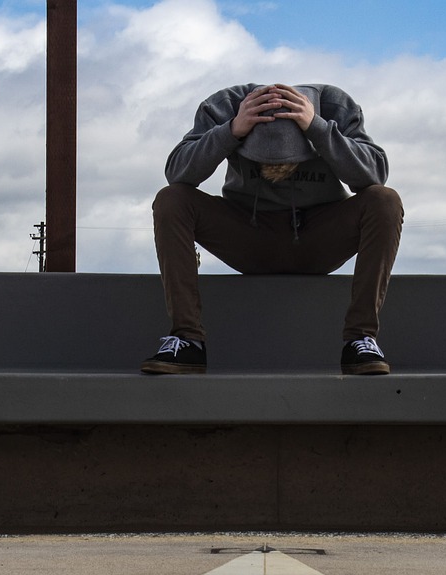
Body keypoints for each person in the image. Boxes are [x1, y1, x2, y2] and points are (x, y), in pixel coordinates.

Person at [141, 82, 403, 375]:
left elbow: (375, 174)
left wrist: (317, 129)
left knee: (385, 200)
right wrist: (231, 131)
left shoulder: (335, 107)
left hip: (319, 237)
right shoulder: (225, 105)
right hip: (249, 238)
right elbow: (177, 172)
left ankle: (360, 338)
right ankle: (187, 339)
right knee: (172, 199)